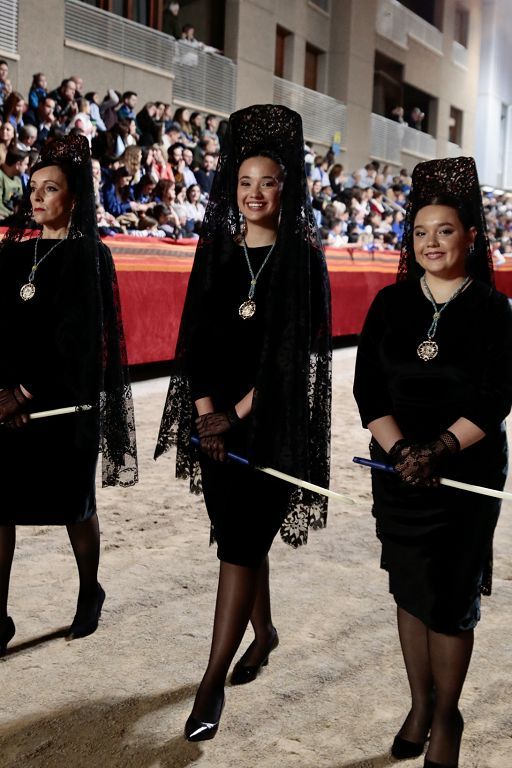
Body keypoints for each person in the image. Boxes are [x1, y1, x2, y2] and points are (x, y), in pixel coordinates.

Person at [155, 104, 331, 741]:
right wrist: (206, 416)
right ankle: (265, 634)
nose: (255, 194)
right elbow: (195, 345)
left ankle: (209, 686)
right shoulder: (219, 258)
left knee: (238, 544)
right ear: (233, 188)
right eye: (245, 183)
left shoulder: (302, 263)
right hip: (215, 430)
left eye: (269, 183)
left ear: (287, 190)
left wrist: (234, 415)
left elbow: (290, 362)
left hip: (270, 428)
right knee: (240, 535)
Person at [353, 156, 512, 768]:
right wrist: (400, 451)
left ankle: (447, 718)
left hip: (464, 475)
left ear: (471, 236)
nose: (431, 243)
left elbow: (496, 397)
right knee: (411, 588)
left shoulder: (493, 311)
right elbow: (370, 390)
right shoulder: (390, 305)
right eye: (420, 232)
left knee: (449, 598)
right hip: (398, 474)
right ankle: (420, 703)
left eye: (444, 230)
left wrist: (439, 449)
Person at [0, 134, 138, 657]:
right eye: (33, 187)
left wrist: (24, 393)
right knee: (0, 508)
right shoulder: (10, 256)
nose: (36, 198)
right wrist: (2, 394)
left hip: (63, 407)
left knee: (74, 508)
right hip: (8, 408)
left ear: (73, 198)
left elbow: (79, 338)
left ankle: (89, 592)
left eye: (50, 189)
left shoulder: (89, 255)